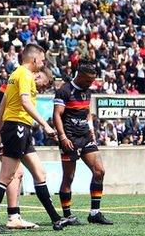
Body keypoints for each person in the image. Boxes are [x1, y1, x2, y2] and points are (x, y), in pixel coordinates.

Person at [0, 44, 68, 233]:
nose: (44, 62)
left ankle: (55, 219)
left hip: (19, 128)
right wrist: (45, 125)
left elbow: (3, 104)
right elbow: (25, 101)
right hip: (17, 127)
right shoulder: (25, 75)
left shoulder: (15, 75)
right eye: (43, 59)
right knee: (6, 176)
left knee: (40, 173)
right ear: (34, 59)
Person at [0, 68, 54, 230]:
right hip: (6, 128)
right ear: (38, 74)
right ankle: (12, 217)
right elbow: (1, 108)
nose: (40, 89)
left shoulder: (19, 80)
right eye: (43, 84)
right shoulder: (20, 80)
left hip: (10, 128)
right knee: (13, 173)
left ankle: (17, 216)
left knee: (36, 172)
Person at [53, 61, 113, 225]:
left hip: (85, 137)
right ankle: (68, 215)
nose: (90, 83)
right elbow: (57, 115)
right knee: (69, 177)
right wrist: (63, 137)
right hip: (69, 139)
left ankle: (95, 213)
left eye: (92, 80)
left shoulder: (87, 92)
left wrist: (91, 129)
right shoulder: (64, 91)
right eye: (88, 80)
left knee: (99, 171)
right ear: (79, 76)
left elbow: (87, 112)